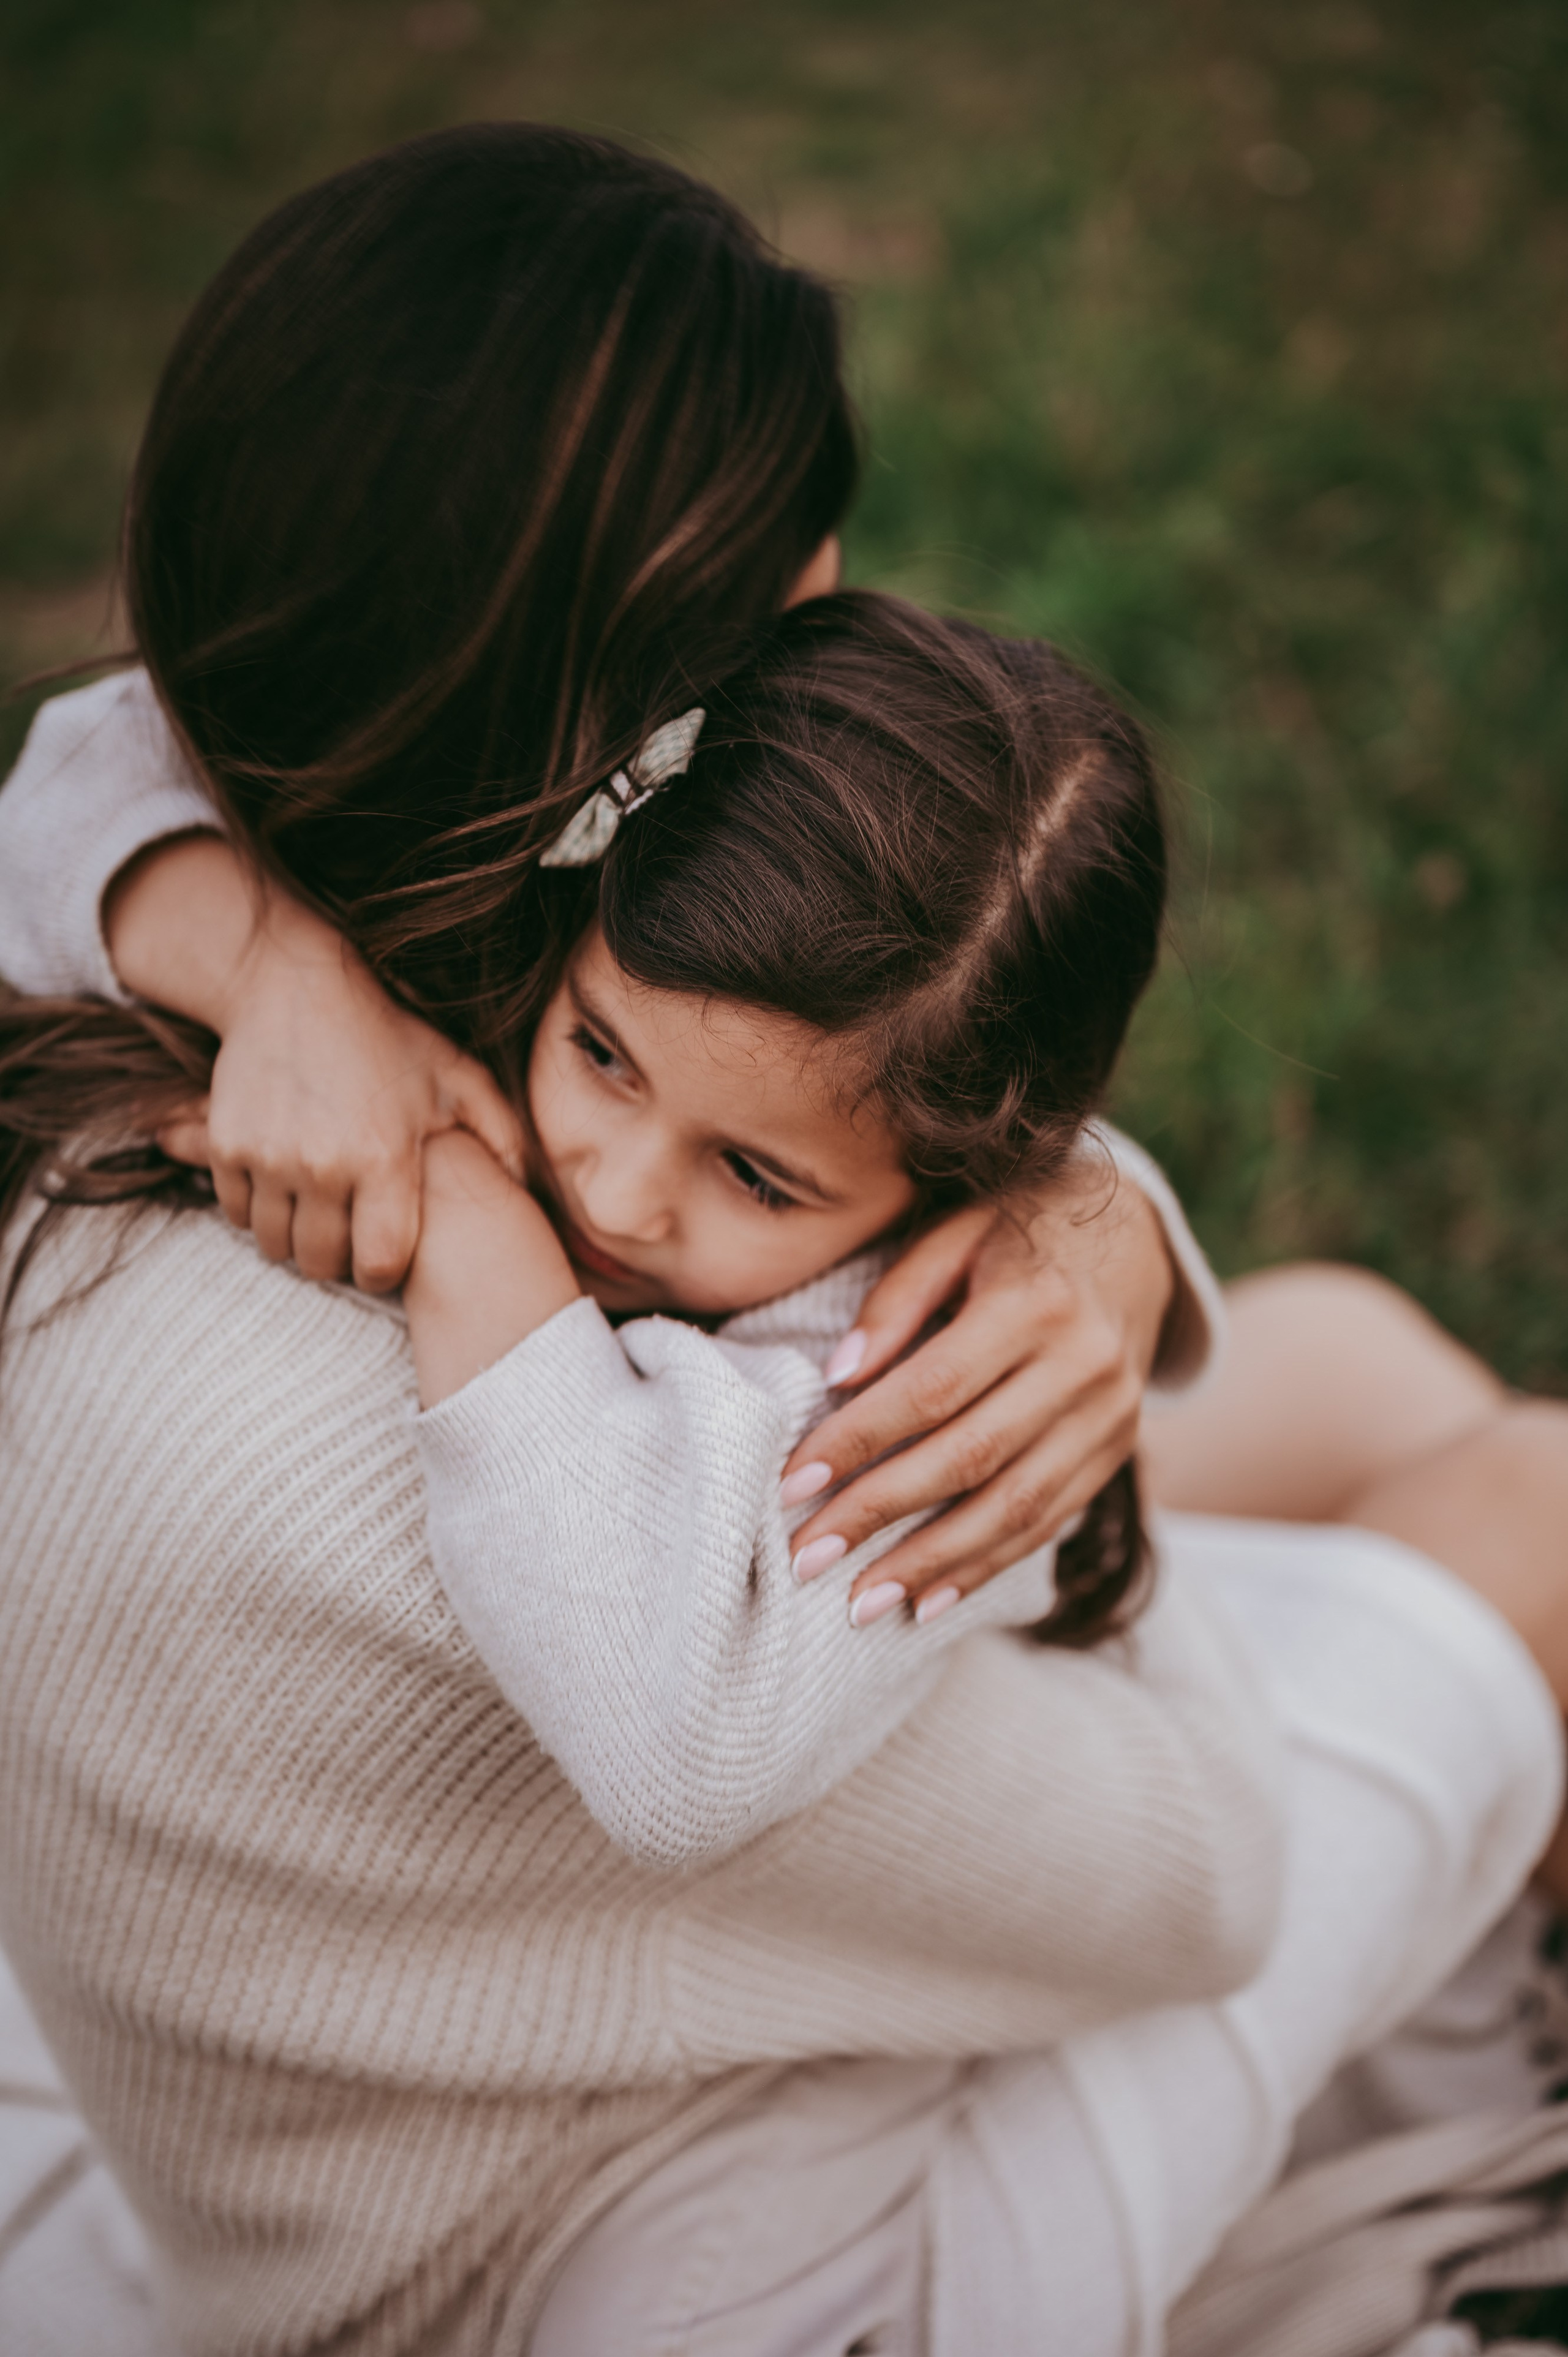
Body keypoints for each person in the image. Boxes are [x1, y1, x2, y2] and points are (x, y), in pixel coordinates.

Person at [2, 121, 1567, 2356]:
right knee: (1528, 1499)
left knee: (1334, 1347)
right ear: (622, 736)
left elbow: (83, 770)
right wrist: (1086, 1513)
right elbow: (1192, 1871)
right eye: (798, 621)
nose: (841, 620)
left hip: (445, 2091)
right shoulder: (463, 1408)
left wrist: (1089, 1229)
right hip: (667, 2254)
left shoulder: (193, 1035)